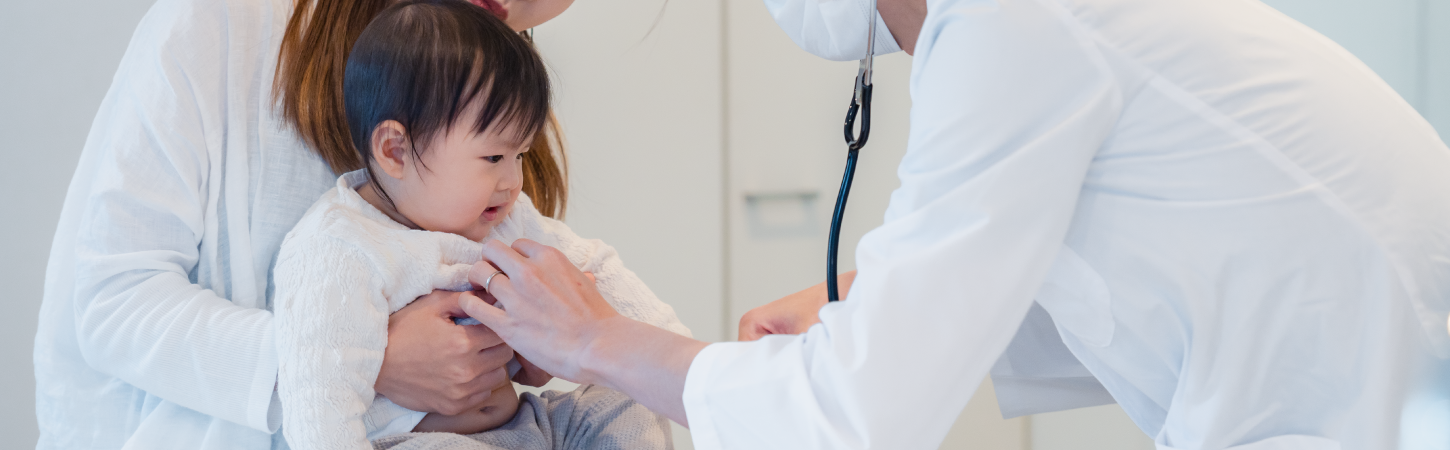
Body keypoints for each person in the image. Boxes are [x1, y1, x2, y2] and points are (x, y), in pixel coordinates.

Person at [456, 0, 1450, 449]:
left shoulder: (1009, 26)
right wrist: (872, 310)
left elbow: (853, 419)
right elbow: (1127, 263)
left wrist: (594, 340)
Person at [33, 0, 577, 448]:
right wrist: (362, 362)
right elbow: (113, 304)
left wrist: (526, 343)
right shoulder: (222, 24)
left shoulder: (501, 97)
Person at [273, 1, 686, 448]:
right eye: (493, 157)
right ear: (395, 151)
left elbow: (594, 267)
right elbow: (318, 403)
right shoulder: (340, 247)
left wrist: (681, 353)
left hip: (528, 425)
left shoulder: (505, 215)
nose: (513, 181)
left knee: (628, 399)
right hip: (422, 443)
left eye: (520, 156)